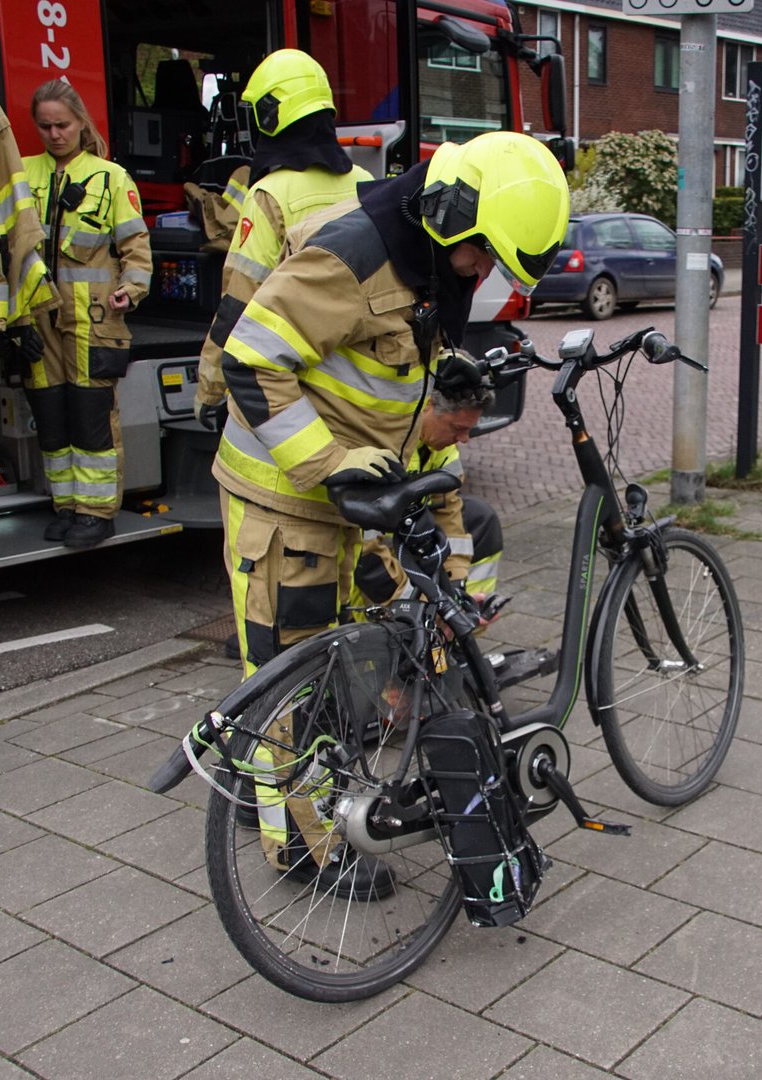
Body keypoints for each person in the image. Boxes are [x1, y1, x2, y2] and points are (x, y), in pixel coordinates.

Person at [212, 130, 568, 894]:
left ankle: (264, 798)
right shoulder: (353, 256)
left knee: (315, 672)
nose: (482, 272)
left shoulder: (427, 256)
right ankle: (304, 853)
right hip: (289, 494)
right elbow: (250, 356)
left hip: (339, 500)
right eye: (482, 256)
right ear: (453, 213)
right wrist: (330, 463)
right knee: (294, 686)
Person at [191, 49, 372, 430]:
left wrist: (211, 387)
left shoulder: (269, 196)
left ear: (269, 116)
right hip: (361, 384)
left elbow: (238, 302)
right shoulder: (368, 185)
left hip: (292, 382)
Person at [21, 80, 152, 548]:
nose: (55, 134)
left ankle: (97, 512)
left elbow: (136, 248)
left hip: (95, 319)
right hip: (39, 318)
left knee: (91, 414)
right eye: (46, 126)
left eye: (63, 124)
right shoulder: (22, 174)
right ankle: (67, 506)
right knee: (52, 413)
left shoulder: (110, 177)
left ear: (81, 122)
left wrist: (131, 290)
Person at [352, 350, 502, 608]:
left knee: (479, 518)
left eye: (469, 429)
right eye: (457, 428)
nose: (465, 439)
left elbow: (449, 513)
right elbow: (364, 555)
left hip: (393, 551)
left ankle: (461, 630)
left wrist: (455, 589)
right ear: (426, 406)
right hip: (362, 572)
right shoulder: (380, 449)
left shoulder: (441, 448)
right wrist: (419, 608)